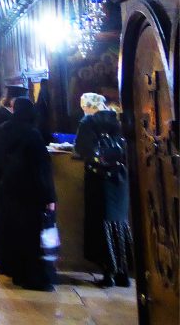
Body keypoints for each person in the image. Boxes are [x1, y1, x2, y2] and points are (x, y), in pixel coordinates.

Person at [0, 97, 57, 291]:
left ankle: (16, 271)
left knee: (13, 231)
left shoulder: (2, 131)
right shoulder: (32, 134)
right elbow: (42, 168)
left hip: (9, 187)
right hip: (30, 191)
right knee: (31, 234)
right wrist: (50, 197)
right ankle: (33, 277)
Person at [74, 93, 133, 287]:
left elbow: (82, 149)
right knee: (119, 222)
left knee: (101, 225)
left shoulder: (88, 122)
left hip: (99, 179)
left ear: (88, 106)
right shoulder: (118, 119)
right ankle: (123, 273)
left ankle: (108, 273)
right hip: (120, 178)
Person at [0, 87, 25, 268]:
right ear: (13, 100)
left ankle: (2, 253)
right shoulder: (1, 117)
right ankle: (2, 254)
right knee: (0, 212)